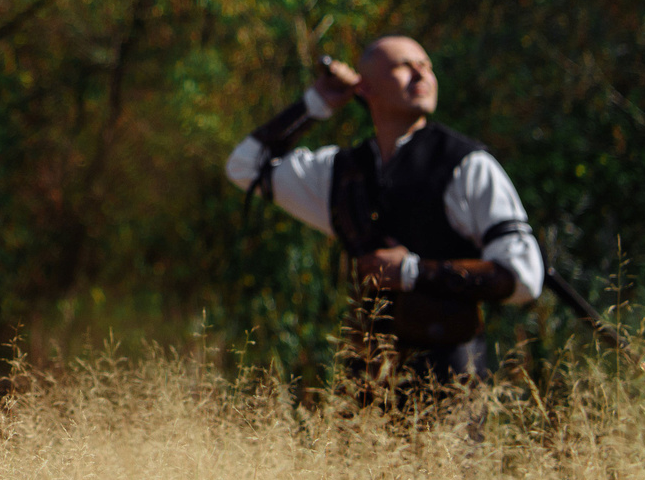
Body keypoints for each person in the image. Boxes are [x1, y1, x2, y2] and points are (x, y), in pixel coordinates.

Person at [224, 34, 542, 405]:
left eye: (426, 65)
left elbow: (524, 277)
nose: (422, 74)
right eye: (405, 66)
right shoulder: (340, 172)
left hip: (451, 385)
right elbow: (244, 166)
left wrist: (414, 272)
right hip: (365, 383)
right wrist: (317, 104)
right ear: (366, 87)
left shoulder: (468, 165)